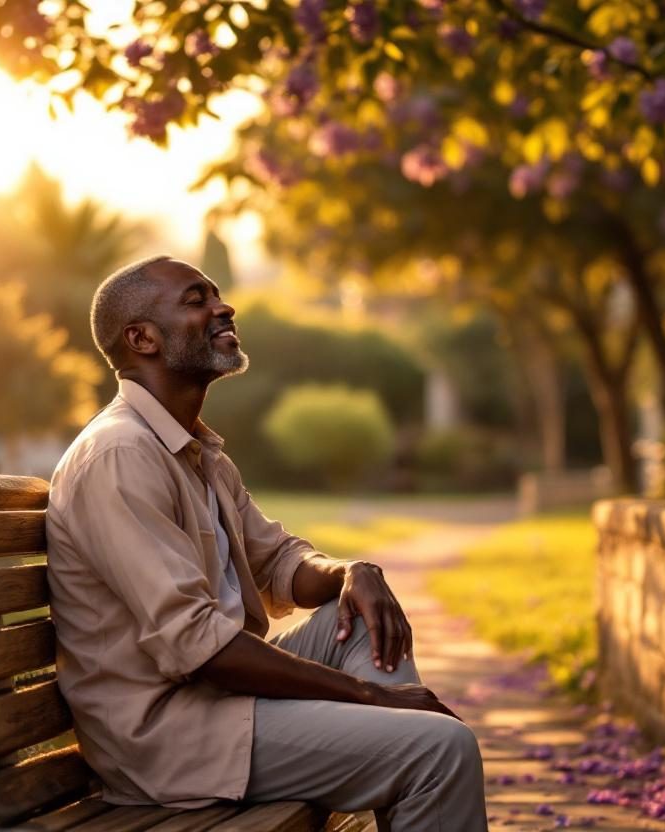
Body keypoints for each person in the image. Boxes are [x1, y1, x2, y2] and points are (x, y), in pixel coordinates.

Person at [45, 255, 487, 831]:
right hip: (169, 738)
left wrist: (351, 571)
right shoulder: (121, 457)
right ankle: (413, 760)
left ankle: (407, 769)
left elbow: (280, 562)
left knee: (355, 617)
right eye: (196, 299)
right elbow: (200, 646)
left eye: (217, 295)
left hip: (218, 706)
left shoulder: (196, 453)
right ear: (141, 339)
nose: (223, 307)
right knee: (440, 752)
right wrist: (369, 698)